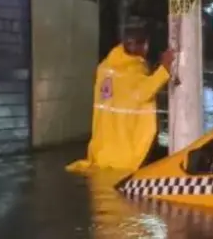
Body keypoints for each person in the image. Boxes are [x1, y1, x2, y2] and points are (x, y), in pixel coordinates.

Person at [67, 22, 176, 173]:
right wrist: (165, 68)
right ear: (144, 46)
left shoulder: (105, 67)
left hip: (101, 150)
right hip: (123, 156)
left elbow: (126, 94)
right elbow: (144, 92)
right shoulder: (133, 70)